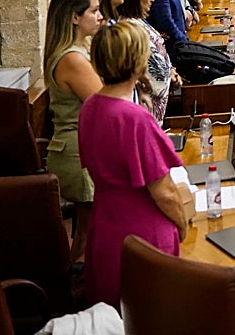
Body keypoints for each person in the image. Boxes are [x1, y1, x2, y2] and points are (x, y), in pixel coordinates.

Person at [79, 22, 187, 307]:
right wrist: (182, 223)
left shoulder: (90, 106)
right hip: (142, 235)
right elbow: (163, 192)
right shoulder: (134, 118)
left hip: (105, 227)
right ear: (138, 62)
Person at [44, 0, 104, 261]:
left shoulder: (83, 47)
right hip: (77, 152)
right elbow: (107, 102)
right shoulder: (72, 59)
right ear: (74, 17)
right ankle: (72, 287)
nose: (100, 16)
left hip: (85, 145)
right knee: (89, 233)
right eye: (94, 11)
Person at [116, 0, 178, 125]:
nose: (153, 0)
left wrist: (171, 70)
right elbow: (152, 68)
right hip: (146, 103)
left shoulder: (139, 21)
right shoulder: (131, 27)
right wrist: (169, 74)